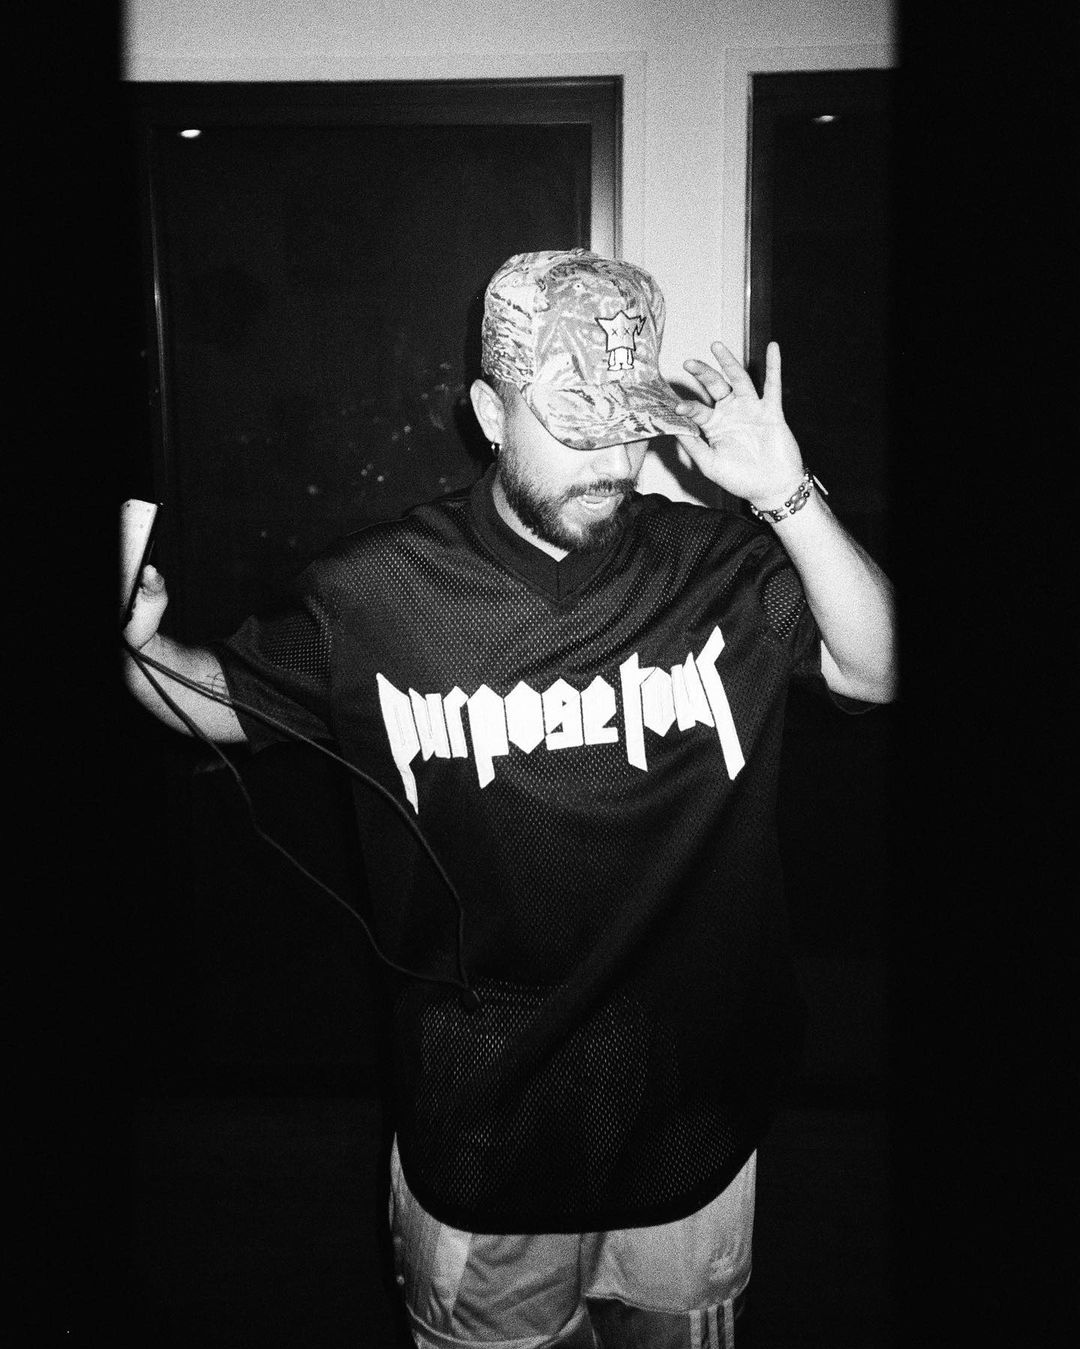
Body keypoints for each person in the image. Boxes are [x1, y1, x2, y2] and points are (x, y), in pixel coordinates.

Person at [123, 248, 896, 1347]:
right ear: (490, 414)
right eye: (571, 423)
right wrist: (138, 649)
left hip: (693, 1106)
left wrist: (786, 495)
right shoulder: (379, 590)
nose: (612, 461)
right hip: (482, 1117)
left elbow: (878, 668)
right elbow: (230, 702)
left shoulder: (719, 564)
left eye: (629, 422)